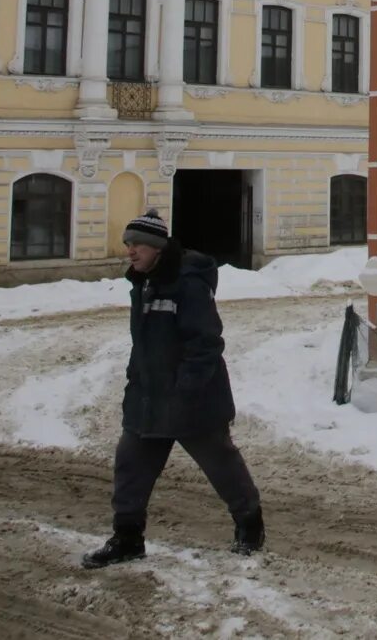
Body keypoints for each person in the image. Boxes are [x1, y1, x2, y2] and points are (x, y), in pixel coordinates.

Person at [81, 209, 264, 568]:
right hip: (149, 398)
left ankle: (250, 524)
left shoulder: (188, 283)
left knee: (220, 463)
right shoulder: (142, 283)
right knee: (130, 467)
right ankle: (128, 538)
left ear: (157, 248)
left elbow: (206, 342)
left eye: (138, 245)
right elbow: (145, 344)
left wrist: (186, 390)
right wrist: (136, 383)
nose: (131, 251)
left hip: (192, 400)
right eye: (128, 245)